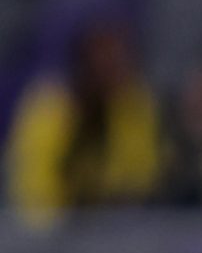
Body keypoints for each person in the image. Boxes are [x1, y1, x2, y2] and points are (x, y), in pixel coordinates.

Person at [6, 16, 163, 225]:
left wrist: (112, 202)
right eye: (104, 56)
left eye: (120, 56)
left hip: (118, 227)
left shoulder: (132, 102)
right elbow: (35, 190)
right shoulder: (50, 108)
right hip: (53, 233)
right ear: (83, 62)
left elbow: (141, 175)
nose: (115, 65)